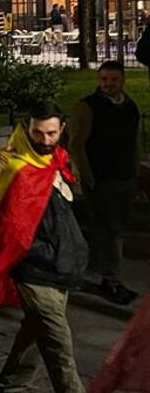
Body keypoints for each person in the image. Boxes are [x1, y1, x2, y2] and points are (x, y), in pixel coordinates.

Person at [0, 105, 116, 393]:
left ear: (62, 129)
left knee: (34, 335)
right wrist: (43, 256)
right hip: (35, 272)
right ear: (27, 128)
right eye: (39, 133)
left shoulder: (54, 160)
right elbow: (4, 229)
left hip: (59, 269)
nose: (46, 140)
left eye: (52, 133)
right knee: (60, 348)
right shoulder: (17, 169)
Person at [68, 61, 140, 305]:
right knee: (108, 230)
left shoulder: (130, 107)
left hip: (124, 177)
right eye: (104, 80)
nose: (108, 84)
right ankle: (111, 279)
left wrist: (135, 173)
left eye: (113, 80)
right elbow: (76, 144)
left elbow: (134, 142)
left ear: (122, 80)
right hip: (101, 179)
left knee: (117, 229)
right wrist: (88, 178)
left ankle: (110, 276)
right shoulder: (88, 107)